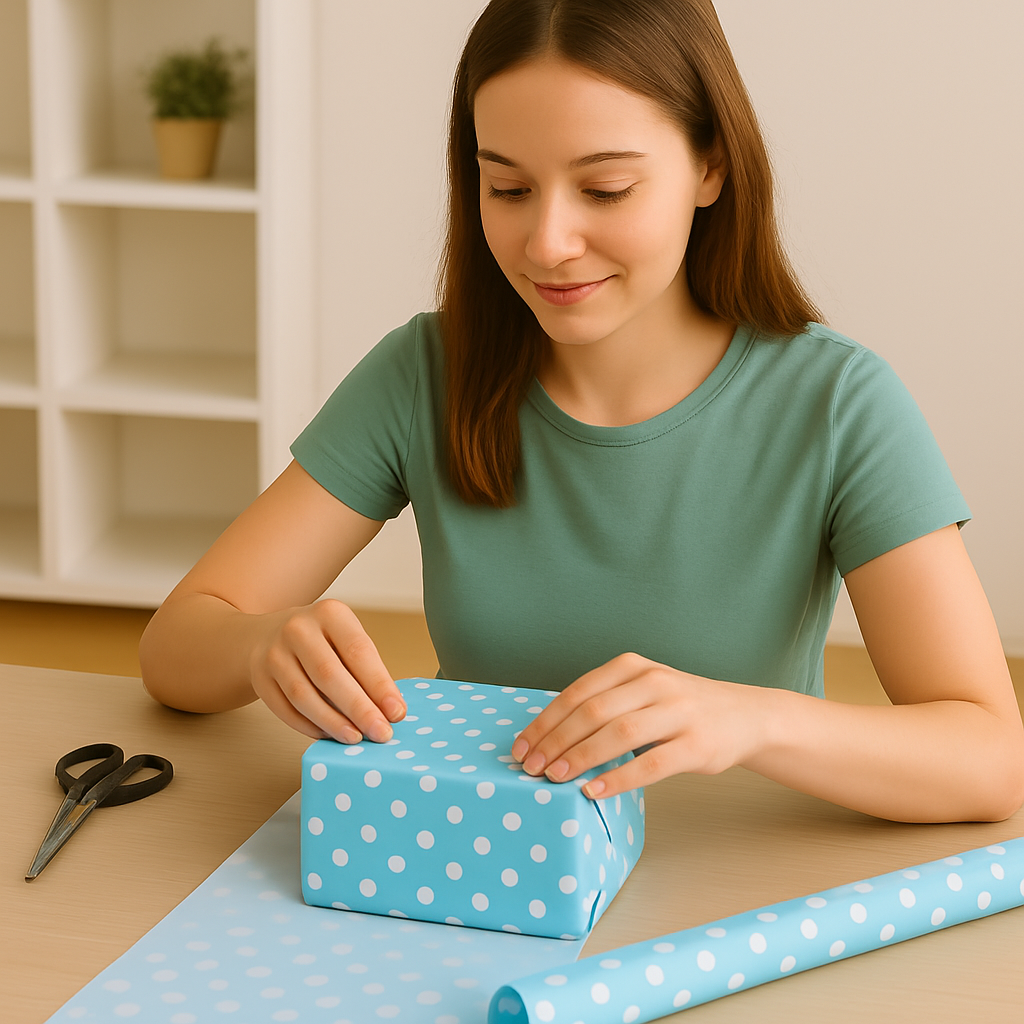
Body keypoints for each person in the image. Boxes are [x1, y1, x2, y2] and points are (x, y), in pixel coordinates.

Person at [140, 0, 1024, 825]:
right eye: (509, 189)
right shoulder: (425, 371)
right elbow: (176, 647)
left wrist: (750, 721)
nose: (547, 243)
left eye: (604, 191)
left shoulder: (838, 404)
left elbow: (990, 757)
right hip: (479, 871)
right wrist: (260, 646)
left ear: (710, 164)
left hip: (722, 891)